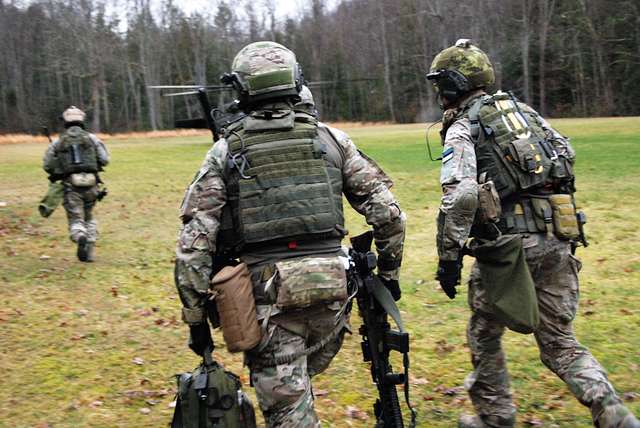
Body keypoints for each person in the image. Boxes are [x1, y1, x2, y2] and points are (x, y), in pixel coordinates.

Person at [174, 41, 405, 427]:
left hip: (269, 304)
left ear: (242, 89)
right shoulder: (332, 140)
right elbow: (391, 216)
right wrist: (390, 277)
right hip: (332, 299)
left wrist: (196, 318)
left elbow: (194, 246)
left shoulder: (224, 152)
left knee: (290, 411)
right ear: (295, 82)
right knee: (298, 386)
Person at [428, 39, 640, 428]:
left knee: (485, 332)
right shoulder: (523, 112)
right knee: (559, 341)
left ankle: (495, 418)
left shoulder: (463, 127)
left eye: (440, 84)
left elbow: (460, 195)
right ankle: (613, 412)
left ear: (453, 85)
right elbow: (565, 156)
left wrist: (448, 256)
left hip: (509, 248)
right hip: (558, 236)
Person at [43, 106, 109, 262]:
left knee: (76, 218)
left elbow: (47, 166)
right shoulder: (92, 138)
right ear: (81, 120)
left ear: (66, 121)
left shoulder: (58, 142)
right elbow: (105, 160)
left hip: (70, 186)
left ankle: (80, 236)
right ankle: (90, 251)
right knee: (89, 216)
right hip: (92, 184)